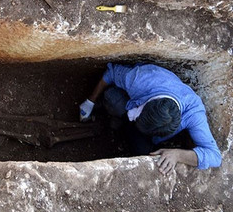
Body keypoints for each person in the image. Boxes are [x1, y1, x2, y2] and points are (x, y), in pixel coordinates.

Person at [80, 63, 222, 175]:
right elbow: (111, 73)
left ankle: (123, 127)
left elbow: (215, 156)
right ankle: (114, 115)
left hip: (147, 134)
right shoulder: (141, 79)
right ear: (148, 103)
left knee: (145, 153)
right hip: (131, 102)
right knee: (112, 97)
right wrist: (90, 101)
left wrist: (178, 155)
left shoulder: (194, 112)